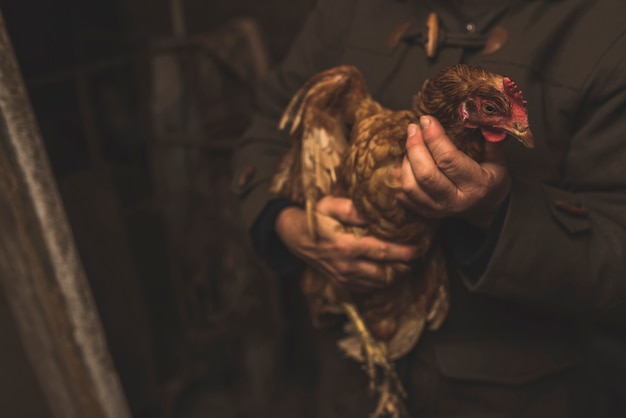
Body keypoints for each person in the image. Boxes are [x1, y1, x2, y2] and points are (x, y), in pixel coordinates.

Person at [232, 0, 626, 416]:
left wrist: (498, 214)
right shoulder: (346, 10)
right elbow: (266, 130)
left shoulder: (606, 28)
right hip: (352, 376)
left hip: (515, 395)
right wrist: (288, 222)